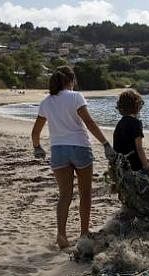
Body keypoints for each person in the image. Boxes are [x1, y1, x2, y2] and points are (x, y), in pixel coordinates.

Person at [30, 66, 116, 249]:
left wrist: (37, 147)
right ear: (71, 80)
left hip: (58, 150)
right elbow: (89, 122)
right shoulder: (76, 96)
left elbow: (35, 131)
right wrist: (106, 144)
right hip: (80, 148)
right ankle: (84, 233)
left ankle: (61, 235)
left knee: (64, 196)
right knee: (85, 194)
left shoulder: (46, 101)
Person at [113, 89, 149, 176]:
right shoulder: (136, 123)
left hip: (121, 163)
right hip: (134, 164)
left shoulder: (120, 123)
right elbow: (139, 148)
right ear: (137, 106)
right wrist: (146, 166)